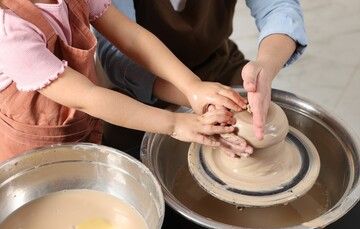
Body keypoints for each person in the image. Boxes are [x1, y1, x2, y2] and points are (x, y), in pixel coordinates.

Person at [0, 0, 250, 163]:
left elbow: (132, 38)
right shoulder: (9, 31)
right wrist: (175, 123)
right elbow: (87, 97)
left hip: (82, 123)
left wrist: (192, 87)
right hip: (32, 147)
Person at [95, 0, 308, 157]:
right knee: (129, 164)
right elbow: (120, 51)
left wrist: (266, 65)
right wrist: (193, 93)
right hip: (135, 87)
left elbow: (279, 7)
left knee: (258, 137)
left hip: (216, 65)